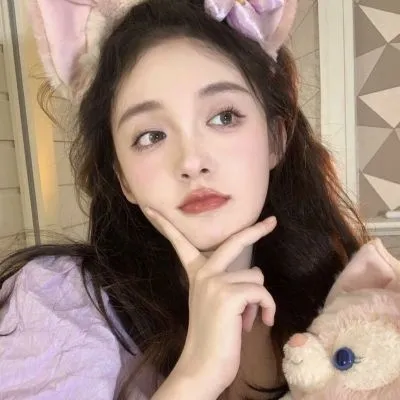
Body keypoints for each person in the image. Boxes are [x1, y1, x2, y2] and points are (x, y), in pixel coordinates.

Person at [0, 0, 387, 398]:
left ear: (275, 139)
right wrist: (195, 376)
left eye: (224, 117)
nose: (191, 161)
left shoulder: (346, 300)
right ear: (123, 178)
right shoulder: (59, 306)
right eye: (151, 136)